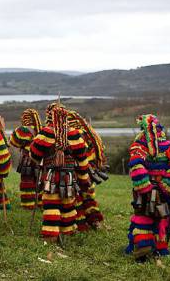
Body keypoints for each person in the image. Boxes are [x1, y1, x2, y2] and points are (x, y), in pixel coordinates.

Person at [29, 102, 91, 242]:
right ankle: (67, 232)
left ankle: (51, 235)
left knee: (51, 203)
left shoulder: (46, 132)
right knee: (68, 203)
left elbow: (34, 154)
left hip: (51, 175)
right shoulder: (75, 134)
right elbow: (82, 158)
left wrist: (41, 159)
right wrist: (83, 177)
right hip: (69, 176)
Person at [126, 114, 170, 260]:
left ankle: (143, 247)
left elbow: (136, 164)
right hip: (163, 190)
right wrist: (167, 185)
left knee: (144, 216)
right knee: (162, 217)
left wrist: (145, 186)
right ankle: (157, 249)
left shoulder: (139, 145)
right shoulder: (169, 146)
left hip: (148, 190)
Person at [67, 110, 107, 230]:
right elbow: (99, 150)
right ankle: (94, 220)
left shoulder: (72, 134)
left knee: (77, 196)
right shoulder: (90, 133)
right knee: (88, 195)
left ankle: (80, 223)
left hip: (78, 169)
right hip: (90, 169)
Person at [9, 108, 43, 210]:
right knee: (41, 182)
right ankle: (41, 203)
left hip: (27, 161)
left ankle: (28, 205)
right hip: (41, 160)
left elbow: (13, 142)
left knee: (27, 182)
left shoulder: (22, 130)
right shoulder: (43, 129)